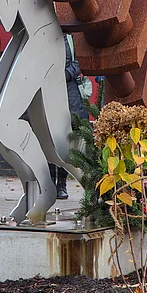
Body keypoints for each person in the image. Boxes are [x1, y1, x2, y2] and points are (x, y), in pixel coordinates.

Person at [50, 34, 89, 200]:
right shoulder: (43, 34)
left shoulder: (72, 37)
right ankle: (49, 183)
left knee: (66, 137)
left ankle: (61, 183)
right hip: (47, 89)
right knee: (48, 135)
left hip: (69, 91)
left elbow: (80, 61)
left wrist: (65, 74)